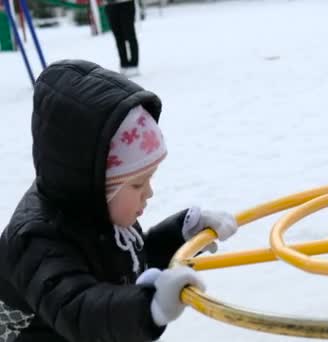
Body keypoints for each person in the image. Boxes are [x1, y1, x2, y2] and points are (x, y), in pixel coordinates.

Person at [0, 59, 238, 342]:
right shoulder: (35, 241)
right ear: (95, 184)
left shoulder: (99, 211)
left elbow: (131, 265)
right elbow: (80, 311)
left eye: (149, 178)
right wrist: (146, 307)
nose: (148, 192)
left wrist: (181, 234)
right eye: (137, 184)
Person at [105, 0, 140, 76]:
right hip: (110, 4)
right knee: (118, 37)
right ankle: (124, 64)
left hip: (126, 3)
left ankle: (134, 65)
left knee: (130, 35)